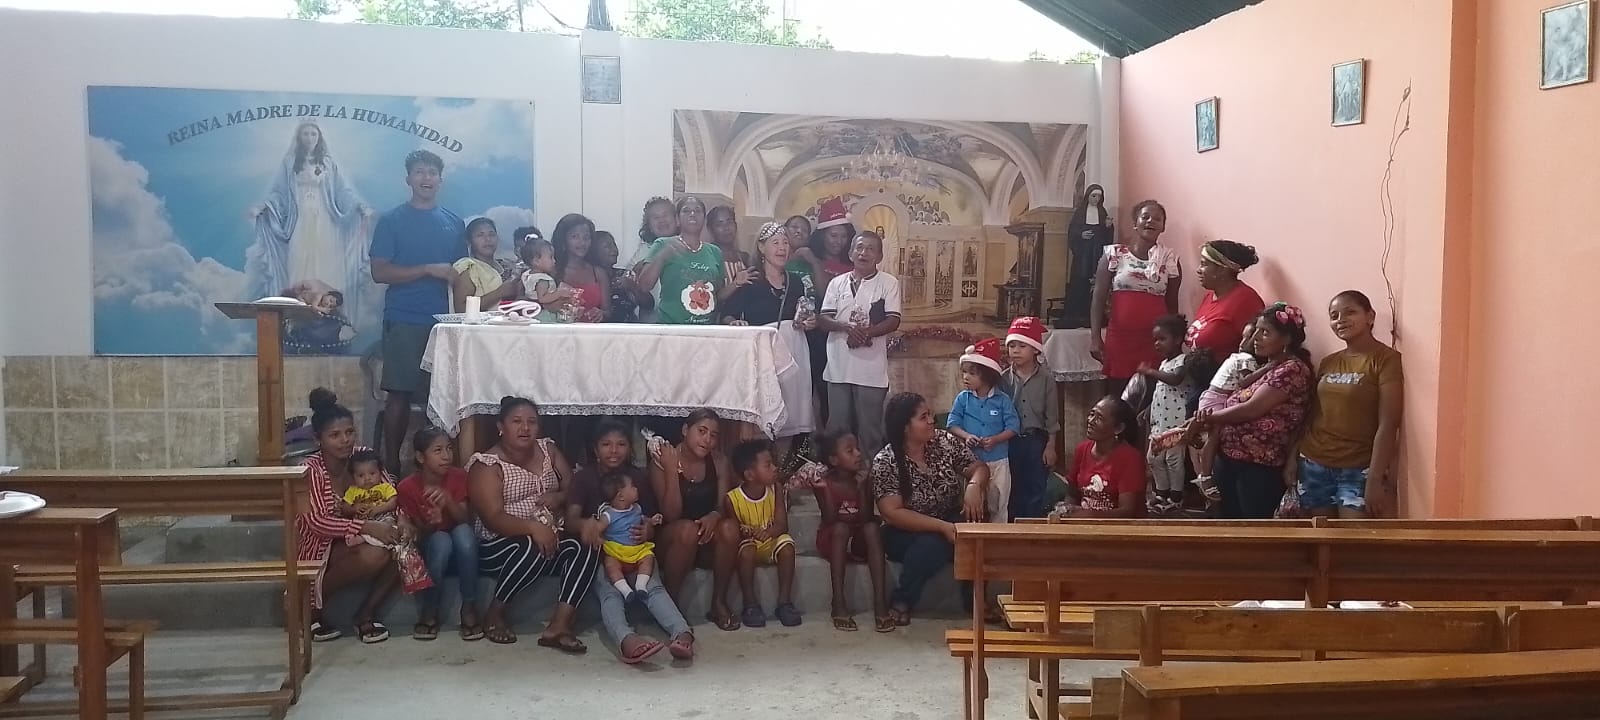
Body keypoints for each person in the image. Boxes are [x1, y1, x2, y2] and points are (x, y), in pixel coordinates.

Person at [466, 397, 598, 649]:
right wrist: (534, 528)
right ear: (501, 427)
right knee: (530, 544)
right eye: (516, 421)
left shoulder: (548, 450)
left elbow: (572, 488)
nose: (525, 428)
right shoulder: (487, 464)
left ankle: (559, 626)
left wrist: (559, 497)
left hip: (549, 537)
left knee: (585, 544)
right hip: (498, 547)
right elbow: (493, 518)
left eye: (532, 422)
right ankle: (495, 614)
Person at [567, 419, 693, 663]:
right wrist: (587, 525)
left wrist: (647, 530)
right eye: (606, 444)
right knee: (610, 592)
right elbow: (571, 520)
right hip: (605, 555)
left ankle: (682, 633)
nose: (614, 451)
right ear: (595, 449)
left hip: (637, 550)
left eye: (621, 444)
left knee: (653, 587)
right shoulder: (584, 478)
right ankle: (626, 639)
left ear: (630, 448)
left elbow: (651, 519)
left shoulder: (637, 478)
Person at [370, 150, 465, 472]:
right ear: (408, 179)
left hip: (446, 323)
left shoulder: (454, 223)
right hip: (405, 318)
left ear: (440, 180)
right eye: (420, 172)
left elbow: (462, 272)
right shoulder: (391, 221)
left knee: (441, 399)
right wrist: (426, 269)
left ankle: (436, 472)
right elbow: (380, 272)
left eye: (432, 173)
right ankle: (392, 469)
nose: (426, 178)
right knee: (398, 395)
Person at [871, 393, 990, 626]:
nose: (931, 421)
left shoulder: (943, 441)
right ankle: (902, 599)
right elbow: (892, 512)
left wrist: (974, 486)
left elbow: (979, 468)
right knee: (931, 546)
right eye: (923, 417)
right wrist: (942, 527)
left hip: (949, 518)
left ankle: (976, 598)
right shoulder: (885, 460)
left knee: (976, 529)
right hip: (905, 531)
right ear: (905, 427)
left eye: (930, 415)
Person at [294, 388, 400, 645]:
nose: (345, 440)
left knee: (404, 544)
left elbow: (390, 491)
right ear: (318, 439)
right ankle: (306, 607)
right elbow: (315, 522)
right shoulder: (310, 469)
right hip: (321, 544)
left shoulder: (363, 456)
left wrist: (403, 520)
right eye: (335, 435)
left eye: (350, 432)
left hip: (364, 533)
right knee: (374, 553)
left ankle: (366, 613)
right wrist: (366, 527)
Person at [1193, 303, 1314, 519]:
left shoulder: (1292, 370)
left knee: (1253, 527)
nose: (1255, 338)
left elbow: (1251, 409)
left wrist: (1205, 418)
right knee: (1229, 525)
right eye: (1256, 330)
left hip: (1258, 466)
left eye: (1265, 332)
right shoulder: (1270, 366)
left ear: (1286, 339)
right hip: (1232, 459)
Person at [246, 121, 373, 320]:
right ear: (299, 137)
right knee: (298, 258)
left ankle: (325, 314)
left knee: (325, 259)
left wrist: (360, 207)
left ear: (319, 137)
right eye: (305, 134)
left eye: (313, 134)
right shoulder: (290, 163)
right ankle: (297, 315)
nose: (310, 138)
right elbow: (279, 192)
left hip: (325, 220)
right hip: (299, 220)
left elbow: (343, 191)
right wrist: (264, 206)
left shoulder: (328, 163)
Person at [1294, 291, 1404, 518]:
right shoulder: (1329, 361)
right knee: (1320, 534)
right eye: (1334, 316)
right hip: (1314, 462)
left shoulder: (1385, 359)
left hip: (1358, 466)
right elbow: (1313, 413)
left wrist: (1375, 479)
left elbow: (1389, 424)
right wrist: (1292, 459)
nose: (1341, 320)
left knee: (1353, 536)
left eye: (1350, 312)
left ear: (1370, 316)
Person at [722, 222, 818, 448]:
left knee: (794, 410)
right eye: (775, 243)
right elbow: (727, 314)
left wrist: (810, 322)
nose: (782, 247)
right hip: (764, 353)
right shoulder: (751, 280)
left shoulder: (796, 281)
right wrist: (735, 322)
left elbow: (805, 313)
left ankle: (789, 463)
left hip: (795, 350)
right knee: (767, 409)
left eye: (785, 243)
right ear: (761, 247)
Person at [649, 409, 741, 631]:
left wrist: (714, 516)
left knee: (729, 528)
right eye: (702, 431)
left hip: (704, 537)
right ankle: (669, 605)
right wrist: (672, 470)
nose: (707, 440)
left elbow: (722, 506)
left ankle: (718, 602)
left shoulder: (719, 461)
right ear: (685, 430)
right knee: (687, 529)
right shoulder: (662, 459)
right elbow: (670, 514)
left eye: (713, 435)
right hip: (672, 540)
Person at [794, 430, 891, 632]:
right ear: (834, 460)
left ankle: (880, 603)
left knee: (872, 528)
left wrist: (862, 488)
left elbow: (865, 517)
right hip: (833, 538)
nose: (858, 454)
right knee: (840, 528)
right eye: (850, 451)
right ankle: (838, 601)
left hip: (856, 538)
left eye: (857, 448)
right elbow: (830, 519)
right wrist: (825, 491)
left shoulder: (863, 479)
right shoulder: (824, 482)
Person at [819, 232, 902, 457]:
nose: (864, 253)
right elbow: (824, 319)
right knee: (837, 428)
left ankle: (870, 472)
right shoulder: (837, 283)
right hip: (839, 367)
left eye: (871, 249)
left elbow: (893, 320)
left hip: (870, 369)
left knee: (870, 429)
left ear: (879, 256)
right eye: (859, 247)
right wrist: (846, 328)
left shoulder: (888, 283)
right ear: (850, 253)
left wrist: (865, 334)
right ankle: (838, 472)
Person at [397, 427, 480, 641]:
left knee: (464, 534)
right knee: (441, 541)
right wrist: (431, 522)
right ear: (420, 457)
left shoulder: (459, 476)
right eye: (438, 450)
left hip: (463, 552)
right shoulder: (407, 487)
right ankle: (430, 609)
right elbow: (419, 535)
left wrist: (448, 501)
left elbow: (465, 519)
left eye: (449, 448)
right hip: (434, 551)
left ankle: (469, 607)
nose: (446, 456)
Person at [1089, 199, 1181, 388]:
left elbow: (1172, 303)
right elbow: (1098, 298)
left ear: (1163, 227)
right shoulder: (1114, 255)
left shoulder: (1170, 259)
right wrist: (1095, 337)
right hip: (1121, 339)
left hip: (1156, 340)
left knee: (1151, 392)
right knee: (1118, 394)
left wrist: (1174, 343)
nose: (1151, 221)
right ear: (1135, 223)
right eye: (1145, 217)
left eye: (1157, 219)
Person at [724, 440, 801, 628]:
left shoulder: (776, 489)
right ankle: (750, 604)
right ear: (750, 475)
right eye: (768, 465)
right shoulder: (732, 499)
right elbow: (735, 531)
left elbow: (782, 525)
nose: (775, 468)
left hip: (770, 541)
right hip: (748, 545)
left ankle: (784, 602)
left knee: (787, 546)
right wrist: (746, 531)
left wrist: (767, 533)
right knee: (747, 550)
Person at [947, 338, 1020, 523]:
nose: (966, 377)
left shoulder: (1002, 400)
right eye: (964, 372)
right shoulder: (962, 399)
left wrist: (996, 439)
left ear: (987, 375)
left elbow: (1013, 427)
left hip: (998, 461)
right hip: (972, 462)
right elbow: (952, 424)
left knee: (998, 503)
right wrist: (967, 436)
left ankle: (999, 536)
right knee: (972, 505)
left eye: (972, 373)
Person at [1001, 317, 1059, 520]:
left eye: (1021, 346)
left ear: (1035, 349)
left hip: (1036, 441)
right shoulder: (1003, 379)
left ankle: (1031, 525)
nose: (1015, 351)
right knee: (1013, 486)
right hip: (1010, 440)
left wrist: (1050, 446)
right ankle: (1012, 527)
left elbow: (1052, 416)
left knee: (1035, 486)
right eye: (1012, 346)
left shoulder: (1047, 379)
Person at [1137, 315, 1194, 514]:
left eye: (1162, 339)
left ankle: (1175, 497)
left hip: (1176, 422)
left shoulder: (1184, 361)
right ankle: (1161, 492)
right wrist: (1148, 409)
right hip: (1159, 422)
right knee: (1154, 458)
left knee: (1173, 460)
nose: (1157, 343)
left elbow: (1175, 379)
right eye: (1155, 340)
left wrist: (1149, 372)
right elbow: (1160, 391)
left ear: (1177, 339)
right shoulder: (1163, 364)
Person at [636, 196, 725, 325]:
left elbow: (718, 295)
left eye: (697, 210)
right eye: (686, 210)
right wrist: (663, 256)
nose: (692, 214)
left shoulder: (715, 252)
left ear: (704, 219)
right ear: (677, 219)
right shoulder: (662, 244)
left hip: (706, 329)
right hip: (671, 328)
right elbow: (644, 286)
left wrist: (737, 283)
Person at [1054, 395, 1145, 518]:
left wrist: (1087, 515)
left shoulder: (1131, 458)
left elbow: (1127, 511)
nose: (1091, 421)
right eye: (1092, 414)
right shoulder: (1082, 450)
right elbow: (1072, 494)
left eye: (1099, 418)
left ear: (1118, 428)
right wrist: (1066, 510)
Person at [1185, 240, 1265, 363]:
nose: (1198, 270)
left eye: (1204, 264)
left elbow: (1256, 350)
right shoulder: (1210, 296)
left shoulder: (1246, 300)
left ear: (1222, 269)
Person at [596, 473, 663, 601]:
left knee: (648, 558)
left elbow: (643, 519)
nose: (636, 488)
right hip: (617, 551)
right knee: (610, 564)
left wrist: (651, 521)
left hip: (636, 550)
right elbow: (598, 528)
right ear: (621, 496)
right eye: (632, 486)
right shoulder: (609, 514)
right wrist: (597, 537)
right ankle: (625, 590)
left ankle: (641, 585)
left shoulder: (636, 508)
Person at [1062, 184, 1113, 328]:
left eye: (1099, 196)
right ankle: (1076, 315)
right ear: (1088, 196)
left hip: (1096, 253)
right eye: (1094, 196)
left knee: (1095, 282)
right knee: (1080, 281)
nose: (1096, 199)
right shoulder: (1080, 212)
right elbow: (1072, 232)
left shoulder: (1102, 212)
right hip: (1083, 253)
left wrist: (1108, 227)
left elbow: (1107, 236)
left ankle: (1093, 316)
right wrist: (1081, 234)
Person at [449, 217, 520, 313]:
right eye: (480, 235)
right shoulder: (468, 267)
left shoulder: (507, 265)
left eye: (491, 234)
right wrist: (499, 293)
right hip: (481, 323)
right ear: (469, 241)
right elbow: (461, 309)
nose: (487, 239)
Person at [552, 213, 609, 323]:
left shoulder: (598, 273)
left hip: (592, 332)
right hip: (558, 332)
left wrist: (601, 314)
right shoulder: (552, 271)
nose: (582, 242)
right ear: (563, 240)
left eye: (586, 237)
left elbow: (608, 311)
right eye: (575, 237)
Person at [340, 450, 399, 544]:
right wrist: (354, 508)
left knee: (390, 526)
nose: (367, 478)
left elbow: (394, 501)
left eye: (372, 473)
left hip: (382, 516)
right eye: (361, 475)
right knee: (356, 529)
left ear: (380, 473)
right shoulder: (352, 491)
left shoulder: (385, 487)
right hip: (363, 521)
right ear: (353, 477)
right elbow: (344, 508)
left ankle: (371, 540)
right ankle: (365, 539)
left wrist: (379, 509)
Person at [596, 230, 652, 323]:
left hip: (629, 329)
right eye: (607, 246)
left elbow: (649, 304)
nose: (614, 249)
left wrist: (632, 286)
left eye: (614, 244)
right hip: (600, 330)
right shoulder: (590, 277)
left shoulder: (624, 274)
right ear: (595, 251)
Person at [519, 237, 575, 322]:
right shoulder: (542, 279)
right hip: (544, 315)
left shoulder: (527, 274)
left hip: (530, 313)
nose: (554, 261)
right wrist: (559, 293)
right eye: (551, 257)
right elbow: (542, 298)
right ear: (536, 261)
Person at [708, 206, 756, 299]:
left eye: (729, 222)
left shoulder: (745, 258)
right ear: (711, 230)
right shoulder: (709, 258)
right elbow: (712, 298)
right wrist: (735, 284)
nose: (726, 228)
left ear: (735, 225)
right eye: (719, 224)